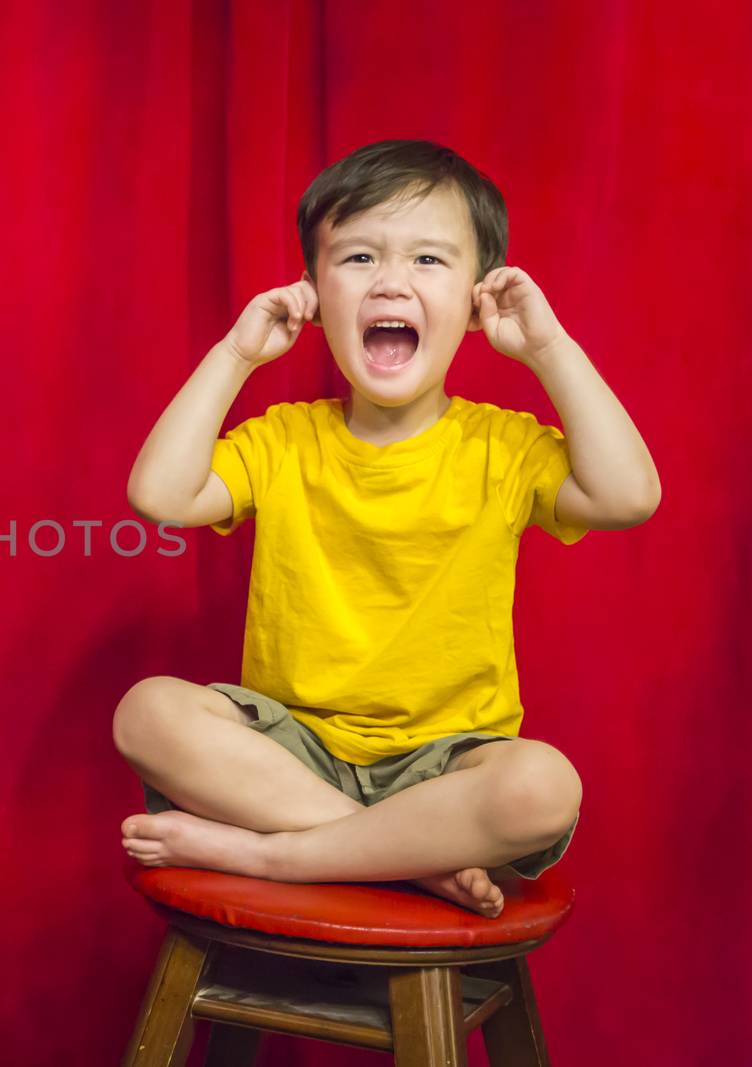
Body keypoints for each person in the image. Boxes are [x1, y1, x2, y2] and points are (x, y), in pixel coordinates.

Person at [113, 139, 660, 918]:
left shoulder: (501, 445)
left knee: (546, 786)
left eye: (430, 261)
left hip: (445, 771)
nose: (392, 281)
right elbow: (160, 495)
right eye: (360, 257)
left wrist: (548, 349)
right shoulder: (286, 437)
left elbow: (629, 495)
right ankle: (396, 857)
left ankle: (283, 855)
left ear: (478, 300)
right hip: (289, 755)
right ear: (313, 292)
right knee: (147, 710)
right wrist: (237, 355)